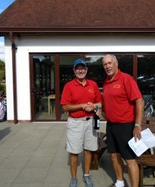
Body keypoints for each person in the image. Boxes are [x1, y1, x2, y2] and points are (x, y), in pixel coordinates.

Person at [102, 54, 144, 187]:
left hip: (125, 125)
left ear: (116, 64)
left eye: (109, 63)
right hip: (111, 125)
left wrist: (137, 124)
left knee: (130, 159)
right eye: (105, 64)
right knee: (114, 156)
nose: (107, 66)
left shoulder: (126, 79)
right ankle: (120, 182)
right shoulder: (106, 81)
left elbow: (139, 101)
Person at [61, 58, 102, 187]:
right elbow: (65, 107)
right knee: (74, 151)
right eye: (78, 68)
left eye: (83, 68)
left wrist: (95, 108)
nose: (80, 70)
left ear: (86, 70)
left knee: (88, 150)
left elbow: (99, 104)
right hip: (75, 122)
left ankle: (86, 175)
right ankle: (73, 178)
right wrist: (82, 106)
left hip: (91, 122)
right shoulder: (69, 86)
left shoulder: (93, 85)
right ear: (74, 70)